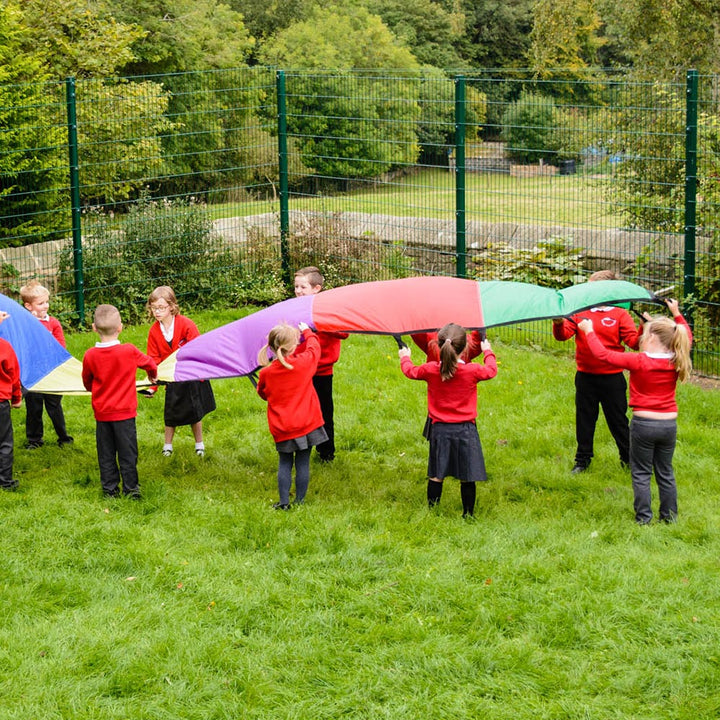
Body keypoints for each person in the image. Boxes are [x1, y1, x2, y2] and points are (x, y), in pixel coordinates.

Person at [577, 299, 692, 524]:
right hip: (669, 425)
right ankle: (669, 519)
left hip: (644, 424)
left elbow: (604, 356)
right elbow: (686, 335)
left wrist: (589, 331)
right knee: (665, 472)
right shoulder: (676, 360)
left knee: (641, 473)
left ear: (649, 338)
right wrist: (676, 313)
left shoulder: (639, 361)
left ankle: (644, 519)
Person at [399, 322, 497, 518]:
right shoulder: (473, 371)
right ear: (466, 347)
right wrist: (488, 351)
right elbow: (491, 370)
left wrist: (405, 357)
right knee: (467, 476)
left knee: (437, 474)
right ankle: (468, 515)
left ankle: (432, 512)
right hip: (466, 431)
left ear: (437, 345)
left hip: (439, 430)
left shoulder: (430, 370)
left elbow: (410, 371)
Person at [552, 270, 641, 473]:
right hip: (585, 377)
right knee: (585, 420)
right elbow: (563, 335)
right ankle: (582, 460)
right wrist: (558, 323)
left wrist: (644, 326)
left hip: (612, 379)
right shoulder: (580, 311)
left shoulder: (620, 314)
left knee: (618, 420)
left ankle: (628, 459)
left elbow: (634, 343)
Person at [82, 304, 157, 498]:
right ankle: (132, 490)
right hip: (125, 414)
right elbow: (150, 363)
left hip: (102, 414)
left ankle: (109, 491)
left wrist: (95, 390)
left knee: (106, 454)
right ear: (120, 327)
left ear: (94, 328)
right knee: (128, 453)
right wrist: (152, 376)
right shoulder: (129, 351)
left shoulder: (90, 355)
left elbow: (87, 382)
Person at [256, 322, 328, 510]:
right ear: (294, 346)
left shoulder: (266, 373)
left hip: (283, 427)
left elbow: (263, 393)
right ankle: (300, 502)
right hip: (308, 423)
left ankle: (284, 503)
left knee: (285, 462)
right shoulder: (304, 364)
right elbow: (315, 349)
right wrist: (307, 332)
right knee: (303, 462)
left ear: (271, 347)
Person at [146, 286, 215, 457]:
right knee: (171, 413)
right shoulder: (154, 331)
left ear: (171, 306)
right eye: (154, 307)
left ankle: (199, 444)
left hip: (191, 377)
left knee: (195, 412)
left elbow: (198, 350)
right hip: (171, 380)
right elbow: (153, 360)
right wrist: (152, 386)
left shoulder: (186, 324)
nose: (157, 311)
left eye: (161, 307)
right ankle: (167, 446)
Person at [294, 267, 348, 462]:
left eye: (303, 287)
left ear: (316, 288)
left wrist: (318, 325)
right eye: (296, 287)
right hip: (299, 368)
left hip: (322, 370)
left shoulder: (327, 308)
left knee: (324, 410)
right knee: (300, 409)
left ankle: (326, 451)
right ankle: (302, 447)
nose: (299, 291)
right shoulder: (294, 307)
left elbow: (344, 332)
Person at [19, 280, 74, 449]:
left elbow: (60, 347)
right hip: (33, 375)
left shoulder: (53, 323)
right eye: (41, 303)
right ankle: (34, 440)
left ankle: (63, 437)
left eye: (46, 302)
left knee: (54, 406)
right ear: (29, 306)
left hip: (51, 373)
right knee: (33, 409)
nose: (45, 306)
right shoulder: (25, 323)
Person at [0, 312, 22, 490]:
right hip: (1, 403)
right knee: (4, 442)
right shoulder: (4, 347)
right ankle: (5, 481)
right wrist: (16, 398)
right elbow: (14, 376)